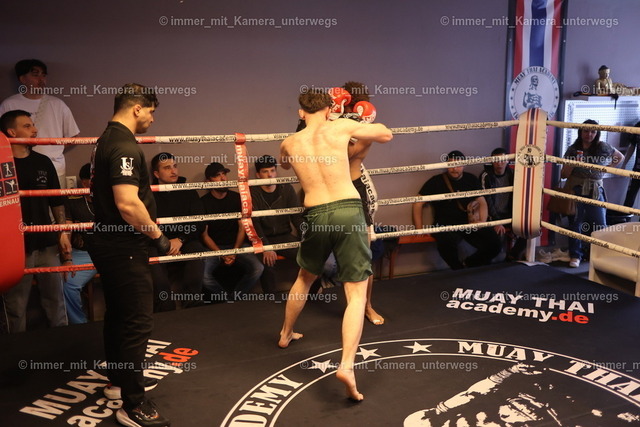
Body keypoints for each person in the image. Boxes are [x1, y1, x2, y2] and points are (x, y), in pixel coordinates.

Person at [277, 88, 393, 401]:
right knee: (355, 291)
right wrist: (357, 121)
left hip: (315, 212)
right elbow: (386, 134)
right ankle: (346, 366)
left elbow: (284, 165)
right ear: (329, 110)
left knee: (304, 277)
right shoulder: (340, 126)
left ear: (301, 112)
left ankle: (285, 334)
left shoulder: (289, 142)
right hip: (348, 209)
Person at [88, 83, 171, 427]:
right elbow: (127, 204)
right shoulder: (123, 145)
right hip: (124, 247)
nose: (152, 118)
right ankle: (133, 404)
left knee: (119, 316)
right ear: (137, 108)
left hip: (109, 242)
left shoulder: (106, 139)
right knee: (137, 321)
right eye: (151, 111)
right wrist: (159, 236)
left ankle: (119, 382)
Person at [0, 109, 69, 332]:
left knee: (56, 301)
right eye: (27, 126)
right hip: (14, 247)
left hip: (46, 242)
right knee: (15, 305)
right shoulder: (2, 165)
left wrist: (62, 232)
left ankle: (62, 343)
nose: (35, 130)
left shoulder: (43, 161)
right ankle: (14, 349)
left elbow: (56, 201)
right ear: (12, 132)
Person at [412, 150, 501, 270]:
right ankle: (458, 270)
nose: (454, 169)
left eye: (458, 165)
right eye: (451, 165)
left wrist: (482, 222)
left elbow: (482, 202)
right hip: (445, 224)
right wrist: (419, 229)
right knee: (445, 243)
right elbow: (417, 203)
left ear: (464, 165)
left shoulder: (471, 179)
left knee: (495, 243)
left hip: (469, 222)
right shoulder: (436, 181)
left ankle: (468, 265)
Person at [0, 59, 80, 188]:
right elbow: (2, 138)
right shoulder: (9, 104)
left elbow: (73, 135)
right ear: (22, 79)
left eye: (43, 75)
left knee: (56, 199)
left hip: (55, 165)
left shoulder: (57, 104)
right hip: (19, 166)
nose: (41, 79)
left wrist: (55, 149)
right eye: (35, 74)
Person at [561, 119, 623, 268]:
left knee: (600, 223)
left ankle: (600, 255)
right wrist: (573, 163)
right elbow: (563, 174)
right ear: (581, 132)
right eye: (586, 131)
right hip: (576, 187)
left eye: (593, 131)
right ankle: (575, 255)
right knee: (575, 223)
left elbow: (619, 157)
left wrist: (607, 168)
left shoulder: (602, 147)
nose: (589, 134)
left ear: (597, 133)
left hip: (595, 188)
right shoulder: (573, 149)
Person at [150, 152, 207, 311]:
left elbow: (199, 222)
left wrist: (181, 240)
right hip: (157, 242)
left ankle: (193, 306)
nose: (173, 171)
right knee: (155, 270)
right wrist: (165, 243)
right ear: (156, 174)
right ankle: (164, 310)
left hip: (185, 240)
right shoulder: (148, 193)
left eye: (175, 166)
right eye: (167, 168)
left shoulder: (188, 190)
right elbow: (144, 225)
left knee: (197, 251)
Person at [200, 162, 264, 300]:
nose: (223, 178)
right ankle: (225, 299)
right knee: (203, 275)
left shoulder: (236, 198)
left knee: (258, 268)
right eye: (217, 175)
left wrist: (234, 252)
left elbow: (242, 228)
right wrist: (221, 254)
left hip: (237, 245)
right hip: (214, 248)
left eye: (224, 174)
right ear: (208, 181)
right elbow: (205, 235)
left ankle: (235, 297)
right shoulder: (203, 202)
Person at [250, 155, 304, 294]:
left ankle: (309, 292)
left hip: (284, 236)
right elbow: (254, 223)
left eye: (272, 170)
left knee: (308, 256)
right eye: (265, 171)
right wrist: (266, 246)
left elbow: (297, 217)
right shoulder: (252, 192)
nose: (270, 175)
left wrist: (306, 236)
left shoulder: (286, 188)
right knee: (266, 263)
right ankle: (271, 299)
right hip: (264, 238)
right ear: (258, 175)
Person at [63, 163, 97, 324]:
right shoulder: (73, 200)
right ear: (84, 183)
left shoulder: (113, 197)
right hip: (83, 253)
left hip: (110, 250)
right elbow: (66, 230)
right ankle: (80, 325)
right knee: (67, 283)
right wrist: (67, 258)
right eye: (95, 179)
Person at [479, 147, 527, 261]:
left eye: (502, 160)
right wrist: (497, 221)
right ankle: (485, 264)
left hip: (509, 214)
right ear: (492, 161)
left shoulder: (513, 174)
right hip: (490, 215)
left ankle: (512, 256)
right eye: (496, 160)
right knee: (496, 239)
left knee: (528, 229)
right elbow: (486, 200)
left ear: (507, 161)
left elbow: (519, 197)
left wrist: (516, 217)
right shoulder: (486, 175)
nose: (499, 163)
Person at [622, 121, 640, 208]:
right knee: (630, 195)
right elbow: (632, 146)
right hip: (637, 168)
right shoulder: (638, 126)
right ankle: (624, 215)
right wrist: (624, 163)